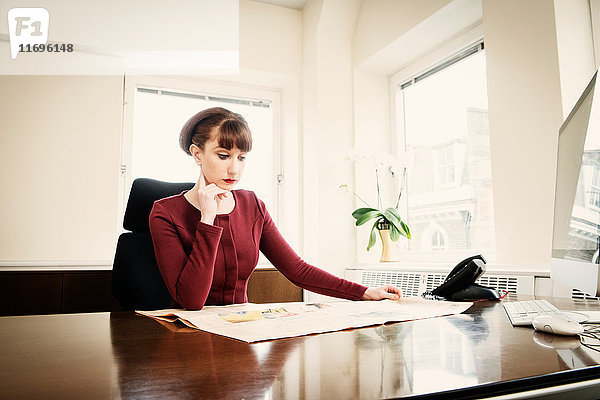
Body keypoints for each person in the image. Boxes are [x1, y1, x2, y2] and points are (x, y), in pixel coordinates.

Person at [149, 107, 402, 310]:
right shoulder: (165, 213)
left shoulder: (252, 205)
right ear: (197, 154)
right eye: (223, 155)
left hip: (243, 329)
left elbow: (297, 269)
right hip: (189, 337)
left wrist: (364, 292)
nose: (234, 169)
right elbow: (191, 302)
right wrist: (207, 220)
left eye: (242, 157)